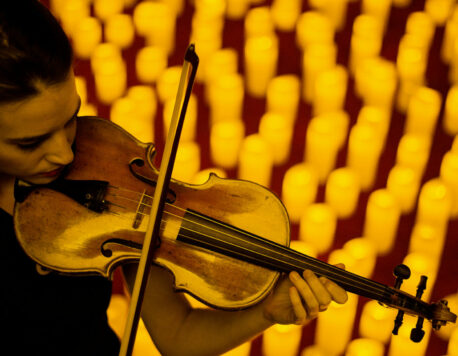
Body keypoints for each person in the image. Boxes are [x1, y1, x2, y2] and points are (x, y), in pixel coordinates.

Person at [0, 1, 348, 355]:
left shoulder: (101, 158)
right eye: (30, 142)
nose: (66, 154)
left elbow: (179, 337)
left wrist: (266, 312)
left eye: (71, 118)